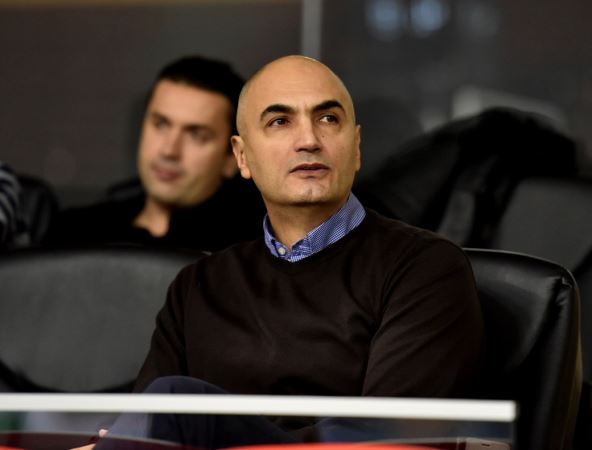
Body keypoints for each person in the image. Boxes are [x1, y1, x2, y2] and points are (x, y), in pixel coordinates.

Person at [91, 55, 485, 449]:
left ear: (356, 146)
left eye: (328, 118)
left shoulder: (424, 269)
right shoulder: (197, 286)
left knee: (178, 404)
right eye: (280, 122)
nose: (309, 140)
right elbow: (144, 433)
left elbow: (389, 441)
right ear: (242, 156)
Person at [44, 56, 265, 252]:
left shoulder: (251, 254)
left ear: (233, 157)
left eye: (196, 135)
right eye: (161, 124)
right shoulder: (74, 233)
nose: (169, 151)